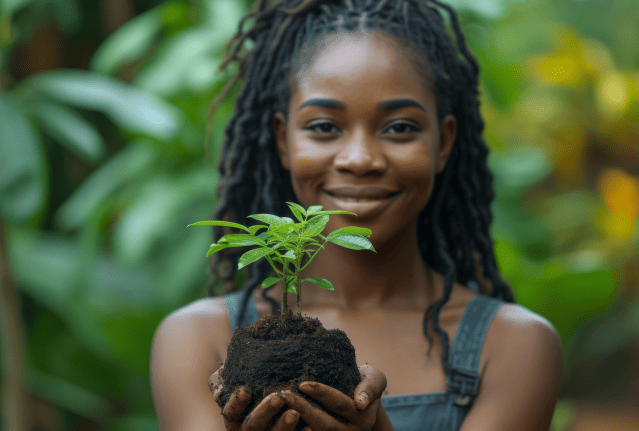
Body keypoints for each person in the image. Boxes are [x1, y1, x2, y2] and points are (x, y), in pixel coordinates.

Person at [150, 0, 564, 430]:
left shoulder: (514, 344)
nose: (360, 158)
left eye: (400, 127)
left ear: (443, 143)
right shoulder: (198, 340)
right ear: (283, 140)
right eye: (324, 127)